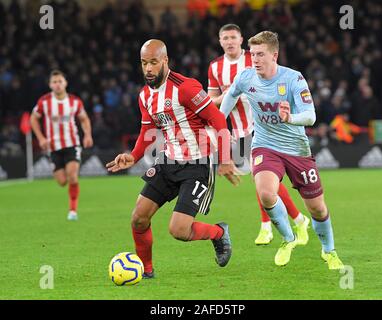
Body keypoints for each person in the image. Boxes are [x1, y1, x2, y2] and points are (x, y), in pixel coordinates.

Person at [106, 39, 239, 278]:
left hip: (197, 164)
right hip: (168, 162)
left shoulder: (185, 87)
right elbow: (148, 131)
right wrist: (133, 157)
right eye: (144, 63)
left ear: (165, 60)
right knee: (138, 218)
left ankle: (219, 233)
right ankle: (146, 272)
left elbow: (217, 119)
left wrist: (226, 158)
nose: (148, 68)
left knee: (178, 230)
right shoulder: (145, 95)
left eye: (153, 62)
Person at [220, 31, 344, 269]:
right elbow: (231, 96)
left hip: (297, 149)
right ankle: (289, 239)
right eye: (252, 54)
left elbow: (311, 116)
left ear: (274, 55)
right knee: (266, 193)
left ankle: (329, 251)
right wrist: (218, 121)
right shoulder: (246, 77)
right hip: (265, 146)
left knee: (317, 208)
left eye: (261, 54)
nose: (255, 59)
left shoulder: (293, 79)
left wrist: (290, 118)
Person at [208, 24, 309, 246]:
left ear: (241, 39)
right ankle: (299, 219)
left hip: (259, 128)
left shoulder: (253, 59)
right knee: (263, 180)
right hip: (236, 130)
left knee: (260, 176)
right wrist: (228, 97)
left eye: (233, 37)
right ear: (220, 41)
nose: (229, 41)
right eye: (225, 38)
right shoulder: (215, 67)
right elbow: (211, 101)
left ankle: (267, 227)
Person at [30, 70, 94, 221]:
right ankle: (70, 198)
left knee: (72, 176)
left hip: (72, 144)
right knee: (61, 181)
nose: (57, 84)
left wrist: (88, 135)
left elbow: (84, 119)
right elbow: (33, 119)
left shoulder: (74, 102)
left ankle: (73, 211)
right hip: (53, 147)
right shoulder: (44, 102)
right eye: (54, 82)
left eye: (60, 81)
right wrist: (41, 138)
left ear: (65, 83)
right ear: (50, 85)